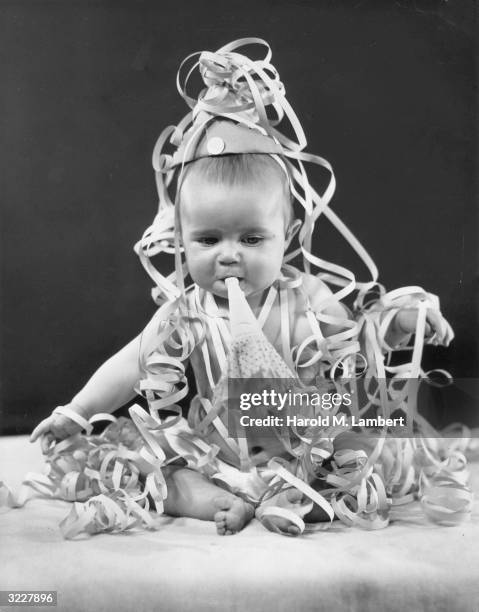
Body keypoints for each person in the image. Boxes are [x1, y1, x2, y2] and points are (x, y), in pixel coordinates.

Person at [29, 39, 456, 537]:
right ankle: (220, 502)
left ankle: (302, 501)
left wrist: (399, 323)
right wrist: (77, 411)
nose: (229, 254)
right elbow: (130, 364)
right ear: (181, 243)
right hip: (216, 450)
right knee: (159, 470)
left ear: (288, 239)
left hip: (303, 445)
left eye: (252, 238)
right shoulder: (186, 311)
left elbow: (355, 357)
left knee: (357, 461)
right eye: (208, 239)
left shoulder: (307, 297)